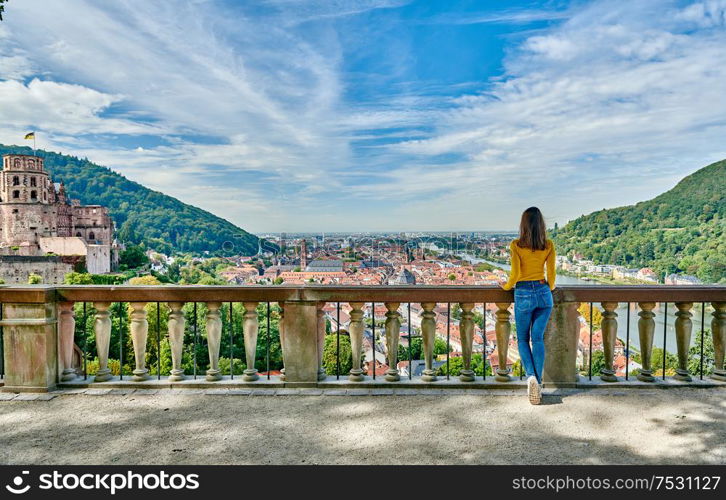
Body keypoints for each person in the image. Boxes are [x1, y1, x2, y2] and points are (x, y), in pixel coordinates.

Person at [500, 207, 556, 405]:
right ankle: (538, 384)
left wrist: (505, 286)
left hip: (523, 293)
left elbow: (514, 275)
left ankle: (531, 377)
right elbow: (552, 276)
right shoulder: (548, 245)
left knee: (523, 339)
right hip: (544, 293)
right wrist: (548, 289)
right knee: (537, 339)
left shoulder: (516, 245)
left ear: (523, 225)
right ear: (541, 224)